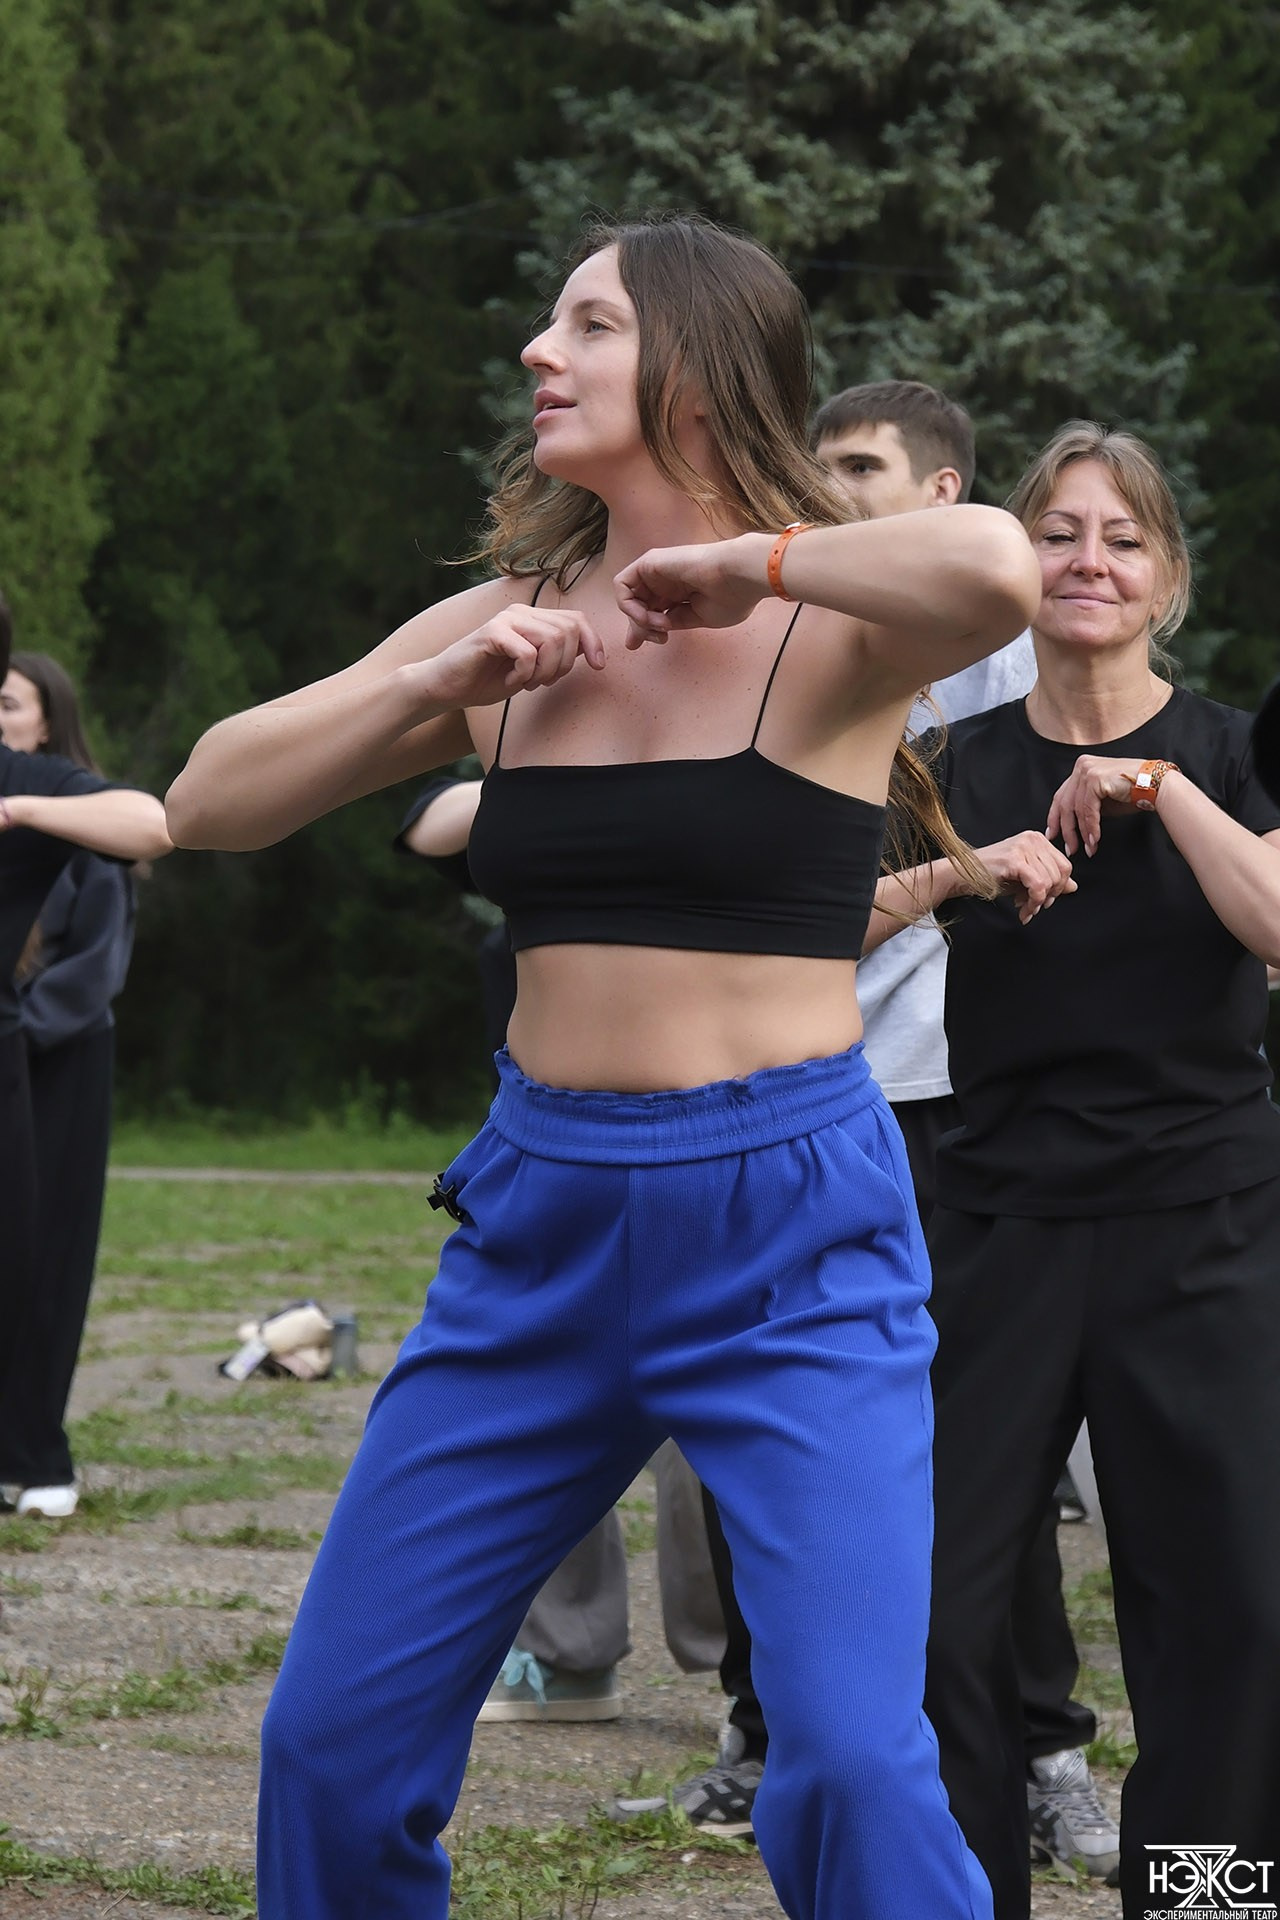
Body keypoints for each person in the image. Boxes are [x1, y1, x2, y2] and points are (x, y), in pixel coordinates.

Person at [166, 212, 1040, 1920]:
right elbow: (210, 800)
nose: (537, 354)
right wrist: (438, 680)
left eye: (586, 324)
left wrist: (754, 566)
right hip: (540, 1227)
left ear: (698, 370)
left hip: (792, 1236)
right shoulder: (507, 625)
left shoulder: (829, 618)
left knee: (853, 1766)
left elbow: (996, 569)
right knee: (330, 1752)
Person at [656, 384, 1117, 1877]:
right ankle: (761, 1730)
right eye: (817, 465)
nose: (828, 487)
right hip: (776, 1088)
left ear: (941, 493)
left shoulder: (997, 657)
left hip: (947, 1107)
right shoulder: (783, 636)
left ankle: (1043, 1751)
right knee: (750, 1425)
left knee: (977, 1445)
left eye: (859, 466)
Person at [865, 421, 1280, 1917]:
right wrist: (960, 870)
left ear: (1166, 575)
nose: (1086, 560)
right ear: (1013, 565)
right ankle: (967, 1898)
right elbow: (803, 931)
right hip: (998, 1226)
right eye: (1056, 533)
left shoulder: (1232, 753)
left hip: (1205, 1226)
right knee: (936, 1614)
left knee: (1228, 1609)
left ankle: (1203, 1899)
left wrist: (1161, 789)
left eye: (1121, 537)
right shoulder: (946, 765)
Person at [397, 781, 726, 1721]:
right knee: (538, 1396)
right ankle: (567, 1653)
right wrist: (564, 760)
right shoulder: (538, 794)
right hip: (548, 1149)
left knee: (709, 1417)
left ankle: (741, 1670)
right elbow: (425, 828)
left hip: (701, 1140)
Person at [0, 597, 170, 1516]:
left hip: (59, 1059)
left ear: (46, 722)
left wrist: (18, 1035)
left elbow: (92, 970)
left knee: (48, 1252)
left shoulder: (76, 820)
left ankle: (39, 1453)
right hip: (18, 1054)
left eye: (10, 703)